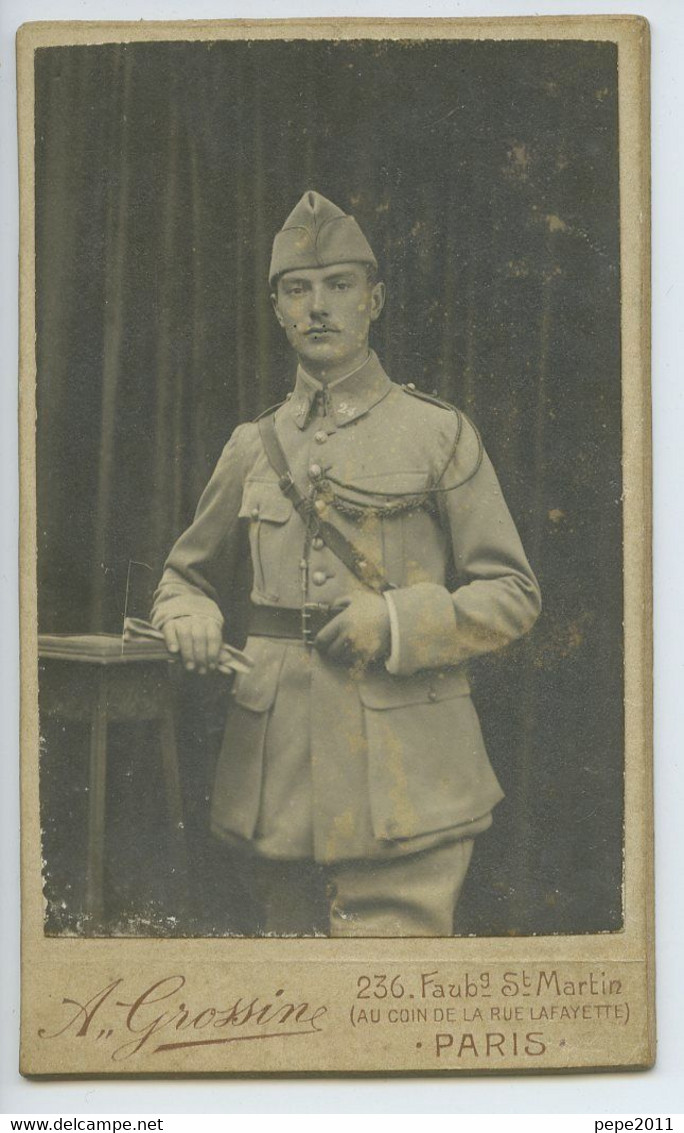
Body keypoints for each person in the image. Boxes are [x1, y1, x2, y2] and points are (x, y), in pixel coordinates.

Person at [151, 190, 541, 937]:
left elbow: (514, 595)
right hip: (276, 787)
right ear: (277, 308)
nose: (317, 306)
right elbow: (183, 575)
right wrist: (190, 611)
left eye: (339, 286)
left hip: (407, 780)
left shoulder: (439, 436)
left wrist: (395, 621)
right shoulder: (251, 445)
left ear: (375, 299)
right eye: (297, 289)